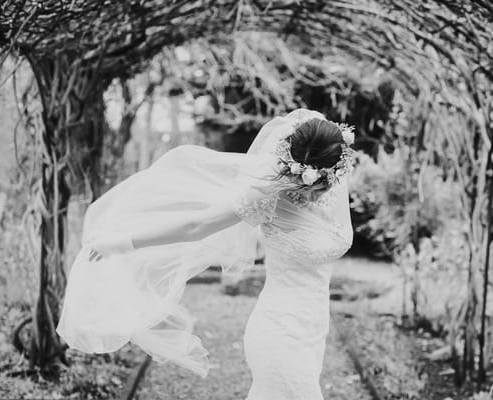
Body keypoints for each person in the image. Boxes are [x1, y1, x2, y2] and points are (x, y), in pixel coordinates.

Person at [56, 108, 355, 400]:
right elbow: (194, 225)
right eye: (310, 185)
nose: (315, 194)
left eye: (322, 184)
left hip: (314, 328)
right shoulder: (264, 196)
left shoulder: (333, 182)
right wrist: (123, 243)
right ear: (296, 171)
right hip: (280, 329)